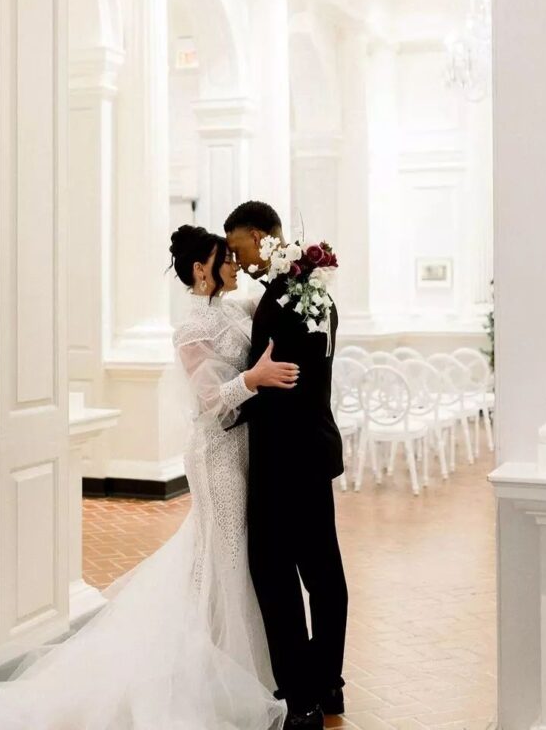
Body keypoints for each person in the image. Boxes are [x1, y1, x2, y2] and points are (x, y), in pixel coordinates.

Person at [0, 225, 296, 730]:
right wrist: (253, 379)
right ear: (201, 268)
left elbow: (269, 306)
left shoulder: (232, 309)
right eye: (223, 257)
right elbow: (205, 401)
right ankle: (210, 668)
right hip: (214, 453)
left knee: (229, 553)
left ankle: (233, 662)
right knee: (222, 551)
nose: (231, 264)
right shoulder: (192, 328)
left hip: (239, 446)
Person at [225, 200, 348, 729]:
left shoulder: (283, 300)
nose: (237, 257)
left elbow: (285, 382)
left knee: (272, 574)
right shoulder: (316, 294)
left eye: (238, 246)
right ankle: (329, 682)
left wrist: (235, 395)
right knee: (323, 572)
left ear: (260, 236)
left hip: (283, 459)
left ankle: (300, 700)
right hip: (314, 450)